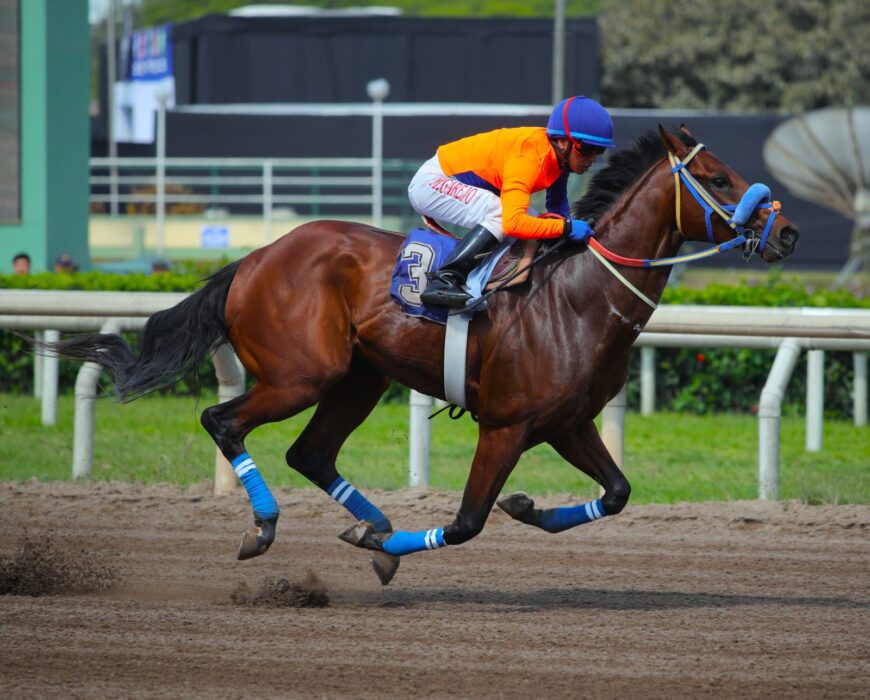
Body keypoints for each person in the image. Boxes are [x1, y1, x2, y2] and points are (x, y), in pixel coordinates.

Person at [407, 95, 615, 308]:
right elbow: (513, 222)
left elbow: (557, 205)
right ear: (563, 142)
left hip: (454, 183)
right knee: (502, 214)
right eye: (587, 149)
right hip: (432, 182)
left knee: (536, 219)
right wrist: (567, 227)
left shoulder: (558, 160)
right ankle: (445, 280)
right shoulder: (529, 157)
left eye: (599, 151)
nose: (592, 158)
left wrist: (569, 233)